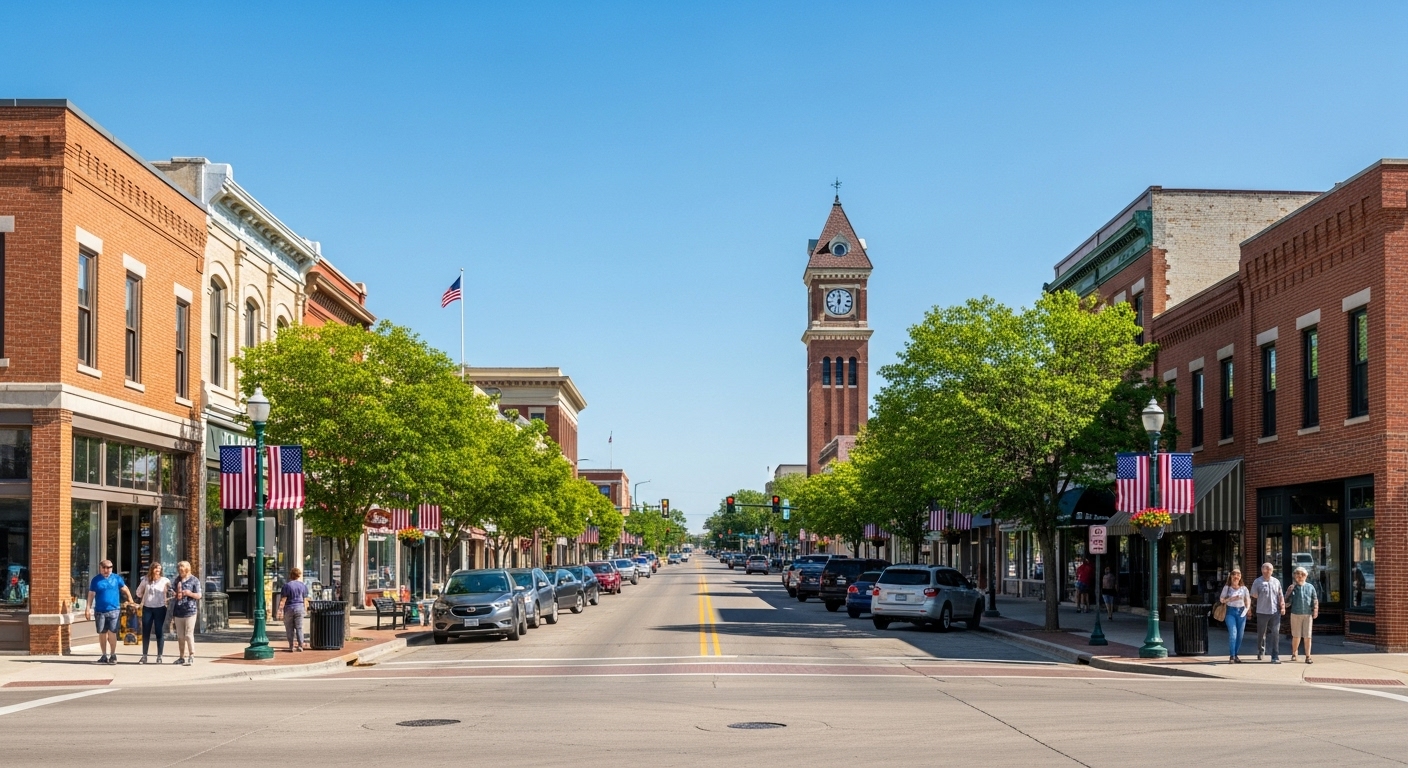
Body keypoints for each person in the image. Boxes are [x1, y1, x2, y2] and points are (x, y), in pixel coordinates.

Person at [85, 560, 133, 665]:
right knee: (102, 633)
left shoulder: (116, 578)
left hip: (114, 610)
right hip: (100, 610)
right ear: (100, 568)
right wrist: (88, 608)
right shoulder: (96, 580)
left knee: (112, 632)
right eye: (104, 568)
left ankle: (113, 654)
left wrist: (131, 601)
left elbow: (125, 589)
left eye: (109, 567)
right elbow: (91, 595)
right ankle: (104, 655)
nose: (107, 570)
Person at [134, 563, 173, 664]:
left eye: (159, 569)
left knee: (159, 631)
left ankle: (159, 656)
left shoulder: (165, 580)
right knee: (146, 631)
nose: (158, 571)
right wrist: (144, 594)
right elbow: (138, 592)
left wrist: (168, 593)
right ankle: (144, 655)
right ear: (152, 569)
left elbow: (171, 591)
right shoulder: (146, 580)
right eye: (156, 569)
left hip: (160, 607)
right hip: (147, 607)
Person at [1250, 562, 1285, 663]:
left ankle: (1275, 655)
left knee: (1275, 633)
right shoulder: (1257, 581)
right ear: (1262, 570)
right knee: (1261, 633)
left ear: (1272, 571)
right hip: (1262, 611)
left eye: (1269, 570)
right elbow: (1254, 595)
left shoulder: (1276, 581)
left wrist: (1282, 607)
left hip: (1275, 612)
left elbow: (1280, 595)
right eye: (1265, 569)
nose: (1267, 571)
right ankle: (1261, 650)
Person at [1286, 566, 1319, 663]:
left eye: (1303, 574)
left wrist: (1315, 610)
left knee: (1308, 636)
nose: (1300, 576)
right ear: (1295, 576)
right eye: (1298, 574)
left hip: (1307, 614)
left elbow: (1315, 599)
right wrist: (1288, 594)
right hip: (1295, 614)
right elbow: (1287, 603)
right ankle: (1294, 653)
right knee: (1296, 635)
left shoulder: (1310, 587)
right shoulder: (1292, 587)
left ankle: (1308, 656)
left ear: (1306, 576)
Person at [171, 561, 201, 667]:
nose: (180, 569)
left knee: (188, 634)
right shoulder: (177, 580)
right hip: (178, 611)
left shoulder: (194, 580)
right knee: (180, 636)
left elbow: (199, 595)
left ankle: (191, 655)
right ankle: (181, 657)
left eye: (182, 567)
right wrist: (173, 593)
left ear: (187, 568)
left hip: (190, 610)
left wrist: (189, 593)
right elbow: (172, 592)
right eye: (179, 567)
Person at [1219, 569, 1250, 663]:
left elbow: (1248, 600)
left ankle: (1236, 654)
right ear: (1231, 577)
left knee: (1240, 635)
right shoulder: (1227, 588)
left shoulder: (1244, 588)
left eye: (1238, 575)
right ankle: (1232, 656)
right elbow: (1221, 600)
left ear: (1240, 577)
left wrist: (1247, 609)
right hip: (1230, 612)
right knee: (1233, 634)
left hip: (1241, 612)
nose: (1236, 576)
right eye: (1234, 574)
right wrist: (1230, 599)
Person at [280, 567, 310, 652]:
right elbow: (305, 599)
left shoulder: (287, 586)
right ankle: (300, 645)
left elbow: (283, 599)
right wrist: (306, 609)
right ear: (299, 575)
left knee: (289, 628)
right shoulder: (303, 586)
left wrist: (280, 610)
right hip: (300, 607)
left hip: (289, 607)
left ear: (291, 575)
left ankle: (291, 646)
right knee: (299, 627)